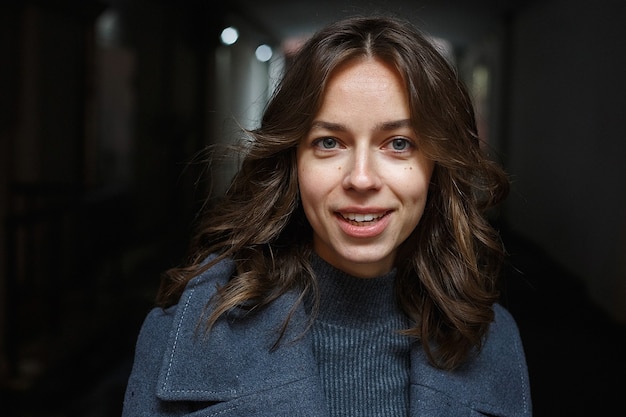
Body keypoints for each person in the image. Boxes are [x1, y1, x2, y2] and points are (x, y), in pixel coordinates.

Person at [122, 14, 532, 417]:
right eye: (329, 142)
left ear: (436, 167)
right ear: (292, 162)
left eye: (400, 143)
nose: (361, 178)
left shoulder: (492, 343)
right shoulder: (183, 335)